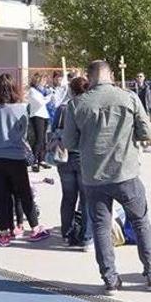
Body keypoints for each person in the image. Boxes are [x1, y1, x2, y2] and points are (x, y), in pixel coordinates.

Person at [64, 60, 151, 293]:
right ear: (111, 75)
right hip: (126, 173)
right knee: (141, 222)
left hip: (93, 176)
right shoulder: (129, 98)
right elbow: (146, 131)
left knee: (101, 227)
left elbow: (70, 142)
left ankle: (111, 279)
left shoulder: (76, 105)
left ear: (90, 77)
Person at [0, 73, 51, 247]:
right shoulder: (21, 108)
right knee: (24, 193)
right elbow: (23, 133)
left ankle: (4, 232)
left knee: (0, 195)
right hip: (15, 155)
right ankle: (35, 228)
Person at [57, 76, 93, 249]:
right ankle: (86, 238)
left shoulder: (63, 108)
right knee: (86, 199)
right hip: (84, 156)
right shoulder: (89, 107)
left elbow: (52, 130)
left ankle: (67, 234)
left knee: (68, 198)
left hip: (64, 156)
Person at [27, 72, 52, 172]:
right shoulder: (33, 91)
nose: (45, 82)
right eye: (43, 80)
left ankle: (42, 159)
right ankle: (34, 161)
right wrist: (49, 96)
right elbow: (41, 102)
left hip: (44, 115)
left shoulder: (42, 91)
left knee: (43, 140)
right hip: (37, 116)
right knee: (39, 139)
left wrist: (49, 94)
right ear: (38, 80)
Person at [132, 72, 151, 153]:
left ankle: (149, 145)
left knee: (149, 127)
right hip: (138, 110)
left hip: (147, 110)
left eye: (141, 76)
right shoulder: (134, 88)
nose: (139, 78)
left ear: (144, 77)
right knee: (139, 127)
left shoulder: (148, 87)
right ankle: (142, 145)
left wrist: (150, 106)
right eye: (137, 76)